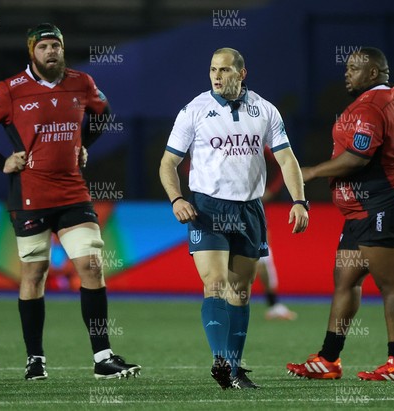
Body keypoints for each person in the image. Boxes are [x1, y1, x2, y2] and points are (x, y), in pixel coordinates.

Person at [0, 23, 140, 380]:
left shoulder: (82, 83)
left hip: (73, 192)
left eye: (56, 45)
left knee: (91, 266)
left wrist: (83, 143)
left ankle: (103, 357)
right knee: (34, 273)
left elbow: (103, 114)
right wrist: (0, 161)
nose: (51, 51)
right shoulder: (10, 90)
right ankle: (35, 359)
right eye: (44, 47)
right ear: (32, 52)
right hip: (29, 196)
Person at [159, 47, 309, 389]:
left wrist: (299, 201)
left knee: (241, 291)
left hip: (249, 210)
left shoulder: (265, 110)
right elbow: (167, 163)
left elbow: (287, 160)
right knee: (214, 283)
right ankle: (220, 360)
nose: (216, 75)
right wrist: (177, 198)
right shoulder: (194, 111)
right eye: (212, 69)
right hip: (207, 209)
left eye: (224, 70)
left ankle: (235, 369)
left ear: (241, 74)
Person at [286, 47, 394, 381]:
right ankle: (329, 359)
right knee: (346, 279)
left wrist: (312, 171)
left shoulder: (373, 105)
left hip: (384, 204)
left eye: (353, 68)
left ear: (373, 73)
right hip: (362, 209)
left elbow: (357, 159)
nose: (346, 73)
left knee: (391, 284)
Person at [259, 147, 297, 321]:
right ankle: (221, 304)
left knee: (264, 257)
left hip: (252, 208)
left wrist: (271, 190)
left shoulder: (256, 139)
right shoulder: (220, 137)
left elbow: (283, 163)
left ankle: (273, 305)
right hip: (224, 207)